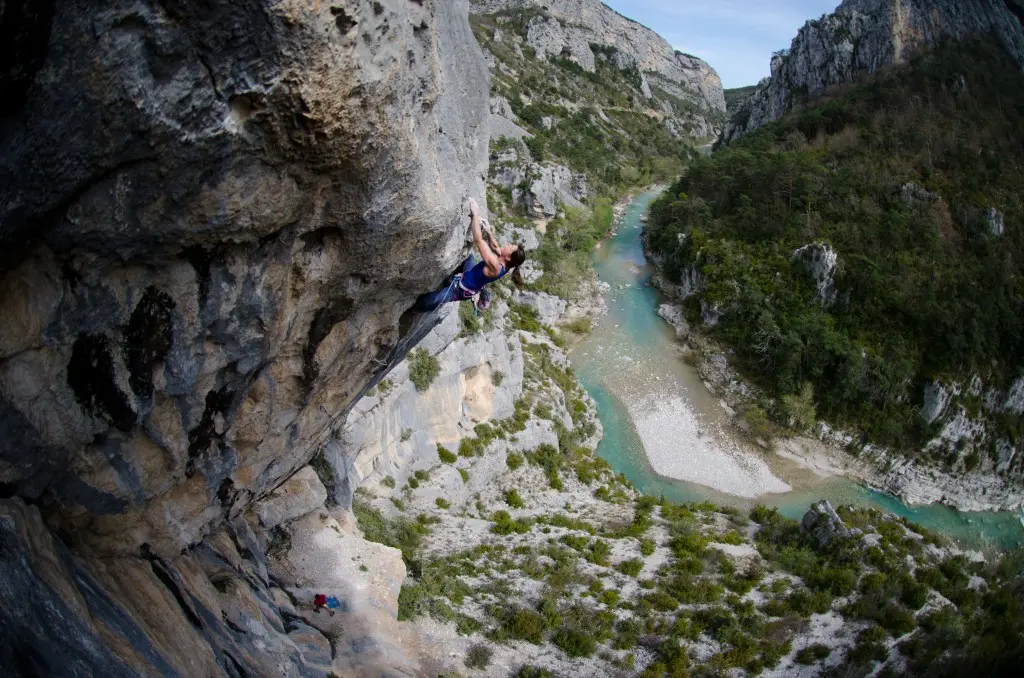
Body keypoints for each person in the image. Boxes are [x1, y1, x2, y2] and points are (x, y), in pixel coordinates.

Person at [415, 198, 526, 312]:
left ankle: (415, 308)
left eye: (510, 247)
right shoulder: (508, 264)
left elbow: (478, 240)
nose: (508, 245)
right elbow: (496, 247)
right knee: (468, 256)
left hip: (460, 290)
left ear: (508, 257)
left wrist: (475, 214)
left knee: (433, 300)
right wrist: (488, 231)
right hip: (470, 272)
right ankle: (450, 277)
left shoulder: (496, 266)